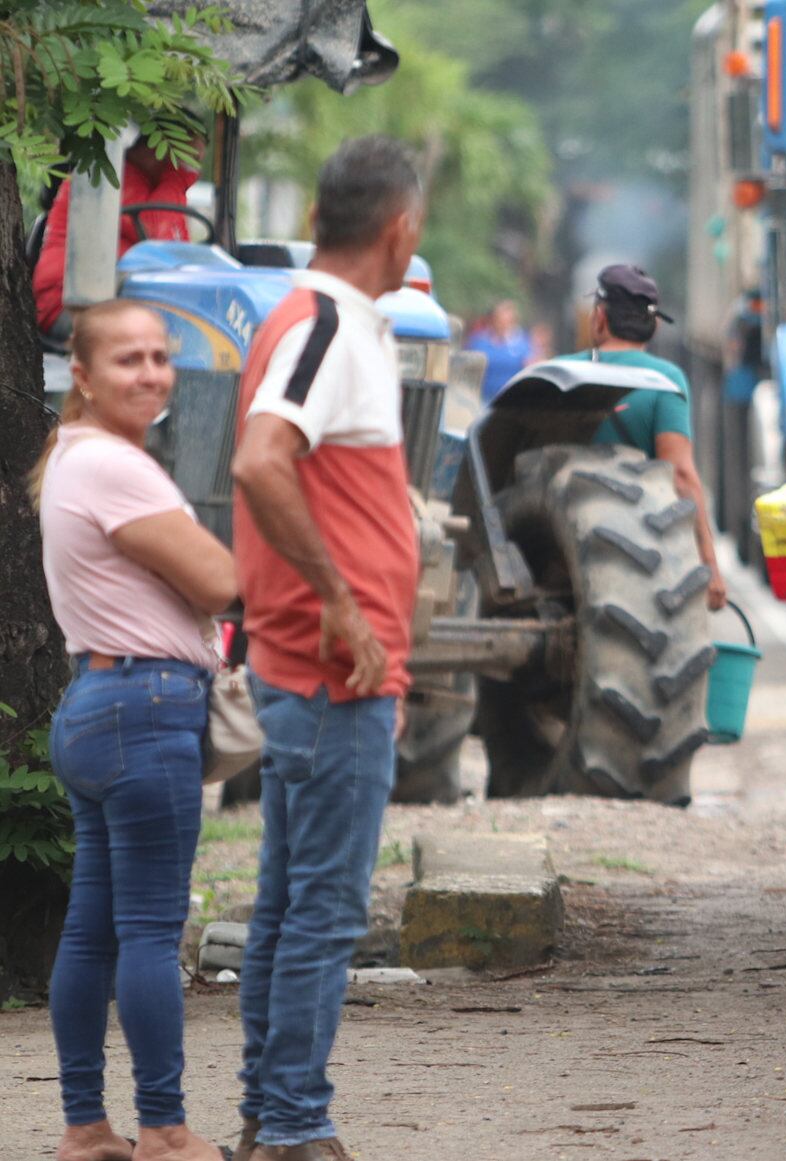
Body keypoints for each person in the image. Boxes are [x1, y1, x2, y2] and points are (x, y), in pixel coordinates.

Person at [227, 137, 426, 1161]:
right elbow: (263, 460)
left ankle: (271, 1116)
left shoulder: (310, 319)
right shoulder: (329, 325)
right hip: (330, 667)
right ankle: (294, 1123)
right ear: (401, 229)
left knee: (292, 898)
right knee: (325, 907)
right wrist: (346, 608)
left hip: (318, 661)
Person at [32, 300, 237, 1161]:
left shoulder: (73, 458)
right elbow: (220, 580)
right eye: (128, 360)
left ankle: (87, 1126)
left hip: (96, 702)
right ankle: (164, 1129)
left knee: (94, 928)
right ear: (82, 374)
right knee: (151, 930)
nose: (151, 372)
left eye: (160, 356)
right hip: (145, 707)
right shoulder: (115, 466)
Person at [564, 263, 728, 611]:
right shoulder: (664, 381)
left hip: (563, 540)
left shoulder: (564, 374)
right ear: (652, 325)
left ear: (599, 318)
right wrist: (709, 566)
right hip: (645, 554)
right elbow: (680, 474)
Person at [33, 132, 205, 336]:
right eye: (189, 160)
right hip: (71, 306)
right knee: (162, 334)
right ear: (161, 148)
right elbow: (156, 231)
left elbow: (177, 252)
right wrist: (179, 175)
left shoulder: (153, 190)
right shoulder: (109, 176)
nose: (194, 171)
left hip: (109, 302)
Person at [464, 299, 533, 402]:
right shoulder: (479, 342)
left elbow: (530, 368)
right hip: (482, 400)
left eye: (508, 319)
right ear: (493, 319)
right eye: (500, 318)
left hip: (512, 401)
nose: (504, 323)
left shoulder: (522, 344)